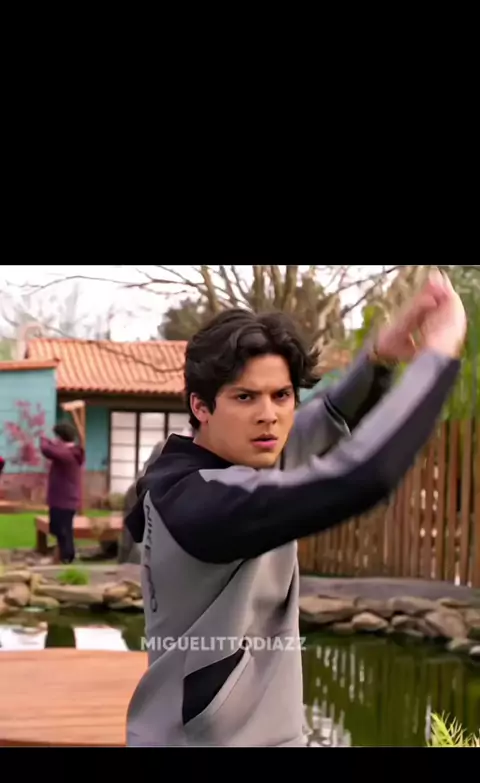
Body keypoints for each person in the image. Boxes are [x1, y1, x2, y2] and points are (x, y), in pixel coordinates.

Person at [125, 269, 466, 747]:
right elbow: (360, 476)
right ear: (201, 407)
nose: (269, 415)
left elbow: (328, 416)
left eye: (281, 395)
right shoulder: (204, 502)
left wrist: (381, 356)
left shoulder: (229, 456)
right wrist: (438, 357)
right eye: (245, 397)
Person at [40, 422, 85, 564]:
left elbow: (47, 450)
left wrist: (44, 439)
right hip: (61, 499)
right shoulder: (68, 452)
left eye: (56, 437)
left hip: (65, 500)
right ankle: (62, 556)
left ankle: (67, 557)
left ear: (61, 438)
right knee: (59, 529)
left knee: (63, 530)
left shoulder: (68, 454)